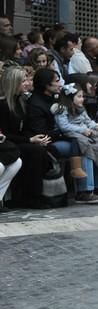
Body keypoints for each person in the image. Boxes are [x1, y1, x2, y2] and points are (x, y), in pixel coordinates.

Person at [54, 83, 98, 201]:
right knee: (86, 146)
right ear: (70, 98)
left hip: (85, 133)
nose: (82, 99)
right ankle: (85, 190)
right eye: (79, 96)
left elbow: (90, 123)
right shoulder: (61, 109)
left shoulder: (81, 109)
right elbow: (64, 126)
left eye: (82, 96)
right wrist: (82, 130)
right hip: (68, 136)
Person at [0, 66, 49, 207]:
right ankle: (30, 197)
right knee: (35, 152)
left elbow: (24, 128)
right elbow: (6, 134)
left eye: (27, 79)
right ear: (14, 83)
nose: (27, 83)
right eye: (23, 81)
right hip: (7, 143)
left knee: (41, 149)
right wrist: (29, 140)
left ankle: (33, 195)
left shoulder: (21, 101)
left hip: (18, 141)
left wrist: (35, 139)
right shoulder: (3, 105)